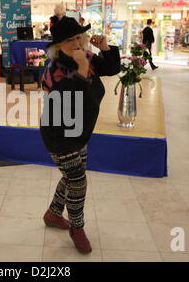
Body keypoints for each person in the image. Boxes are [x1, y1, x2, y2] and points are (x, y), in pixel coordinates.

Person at [40, 17, 121, 254]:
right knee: (77, 179)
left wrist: (105, 48)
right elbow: (65, 101)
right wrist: (83, 69)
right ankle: (77, 228)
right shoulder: (52, 69)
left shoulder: (85, 56)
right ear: (58, 45)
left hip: (81, 129)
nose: (76, 42)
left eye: (78, 37)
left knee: (72, 176)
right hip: (59, 133)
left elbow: (111, 69)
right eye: (69, 40)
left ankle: (54, 214)